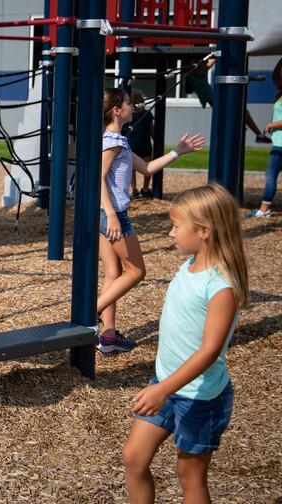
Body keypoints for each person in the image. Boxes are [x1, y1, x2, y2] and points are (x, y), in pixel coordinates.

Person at [122, 183, 248, 503]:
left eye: (177, 226)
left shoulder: (220, 285)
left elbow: (209, 351)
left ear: (204, 231)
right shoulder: (188, 266)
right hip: (166, 385)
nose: (170, 233)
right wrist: (163, 386)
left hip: (200, 397)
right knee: (134, 458)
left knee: (190, 477)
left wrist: (162, 390)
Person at [97, 88, 205, 353]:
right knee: (137, 271)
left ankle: (108, 336)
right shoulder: (113, 142)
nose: (133, 106)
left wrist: (177, 152)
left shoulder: (117, 140)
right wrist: (112, 215)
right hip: (113, 215)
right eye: (128, 103)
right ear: (117, 111)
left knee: (114, 273)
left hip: (102, 214)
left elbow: (147, 169)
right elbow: (97, 177)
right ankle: (90, 312)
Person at [187, 57, 272, 144]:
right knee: (239, 113)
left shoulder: (203, 72)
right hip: (213, 100)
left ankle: (257, 134)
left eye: (203, 67)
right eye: (199, 68)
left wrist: (221, 53)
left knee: (243, 112)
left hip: (217, 98)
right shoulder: (190, 75)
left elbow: (212, 60)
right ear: (194, 68)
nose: (202, 69)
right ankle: (247, 129)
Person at [247, 57, 282, 218]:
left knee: (270, 176)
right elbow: (275, 76)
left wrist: (270, 126)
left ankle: (264, 209)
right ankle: (264, 209)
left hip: (280, 145)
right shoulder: (280, 92)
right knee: (271, 175)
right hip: (278, 143)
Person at [125, 89, 154, 198]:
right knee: (131, 169)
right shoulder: (128, 115)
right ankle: (134, 189)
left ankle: (145, 188)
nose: (136, 100)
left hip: (144, 145)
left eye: (138, 98)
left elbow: (152, 129)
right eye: (134, 98)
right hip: (131, 145)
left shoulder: (147, 114)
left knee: (148, 167)